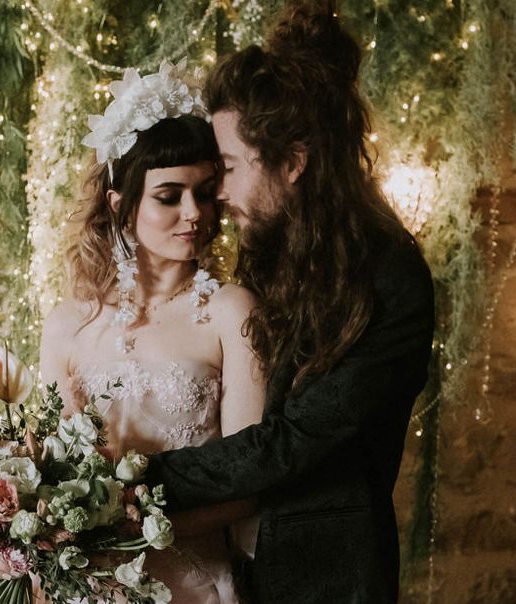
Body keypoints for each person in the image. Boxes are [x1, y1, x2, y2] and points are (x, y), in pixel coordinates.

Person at [144, 2, 436, 603]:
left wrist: (140, 478)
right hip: (240, 573)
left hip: (327, 581)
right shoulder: (279, 249)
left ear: (295, 162)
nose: (217, 196)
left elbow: (288, 442)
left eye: (226, 170)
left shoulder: (388, 273)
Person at [0, 61, 266, 603]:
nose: (195, 213)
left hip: (191, 584)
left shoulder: (231, 312)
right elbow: (48, 467)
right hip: (84, 587)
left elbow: (249, 483)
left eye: (205, 192)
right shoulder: (68, 324)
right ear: (121, 205)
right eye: (169, 195)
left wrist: (130, 533)